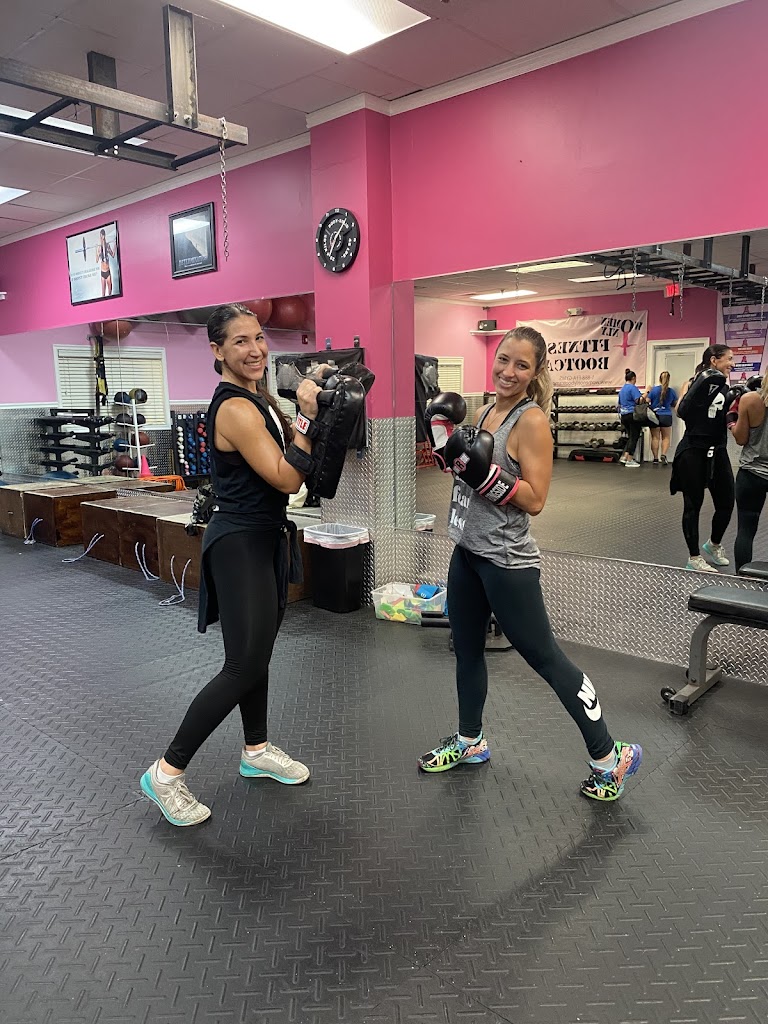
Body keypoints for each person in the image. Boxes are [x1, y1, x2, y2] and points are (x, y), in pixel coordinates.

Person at [419, 327, 643, 802]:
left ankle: (611, 756)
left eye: (521, 365)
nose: (508, 371)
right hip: (468, 552)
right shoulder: (486, 410)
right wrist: (447, 447)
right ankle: (470, 740)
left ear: (535, 371)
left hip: (506, 561)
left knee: (546, 658)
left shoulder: (533, 421)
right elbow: (463, 472)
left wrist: (484, 473)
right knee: (466, 650)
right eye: (503, 359)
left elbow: (536, 499)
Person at [141, 303, 322, 826]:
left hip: (265, 538)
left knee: (255, 656)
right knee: (242, 665)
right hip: (240, 543)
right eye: (240, 341)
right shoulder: (235, 409)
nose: (256, 349)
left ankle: (255, 750)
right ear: (217, 351)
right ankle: (166, 773)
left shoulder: (259, 398)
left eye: (259, 337)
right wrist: (307, 417)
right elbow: (287, 479)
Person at [670, 343, 735, 572]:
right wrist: (696, 388)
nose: (732, 363)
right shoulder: (692, 382)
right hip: (693, 450)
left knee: (727, 502)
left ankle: (713, 544)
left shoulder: (726, 385)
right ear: (714, 360)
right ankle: (694, 557)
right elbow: (681, 411)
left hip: (718, 450)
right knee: (692, 505)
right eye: (729, 359)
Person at [728, 374, 768, 571]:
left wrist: (731, 420)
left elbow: (741, 438)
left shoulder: (750, 399)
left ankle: (743, 580)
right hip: (752, 472)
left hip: (752, 473)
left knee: (746, 530)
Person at [646, 370, 678, 464]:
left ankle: (655, 459)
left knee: (655, 437)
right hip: (666, 416)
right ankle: (663, 455)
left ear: (659, 379)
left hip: (654, 416)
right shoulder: (671, 391)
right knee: (666, 437)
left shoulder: (654, 390)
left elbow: (647, 401)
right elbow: (675, 404)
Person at [617, 369, 643, 467]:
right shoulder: (632, 388)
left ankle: (625, 457)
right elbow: (638, 401)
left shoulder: (622, 389)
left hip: (624, 416)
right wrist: (647, 393)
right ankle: (630, 459)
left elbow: (619, 404)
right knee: (634, 437)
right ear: (633, 378)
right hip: (632, 415)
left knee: (630, 437)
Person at [96, 228, 115, 297]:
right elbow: (96, 260)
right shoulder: (98, 248)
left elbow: (113, 255)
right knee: (103, 294)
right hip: (102, 273)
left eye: (103, 236)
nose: (102, 238)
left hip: (108, 272)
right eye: (101, 236)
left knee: (110, 293)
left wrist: (115, 245)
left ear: (104, 236)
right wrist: (97, 252)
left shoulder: (107, 245)